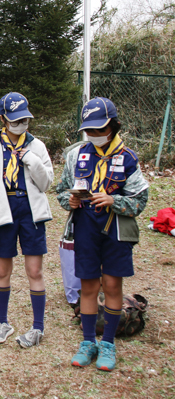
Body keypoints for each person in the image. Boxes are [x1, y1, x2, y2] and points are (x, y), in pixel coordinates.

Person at [56, 97, 149, 371]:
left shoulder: (128, 158)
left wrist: (114, 201)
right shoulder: (77, 155)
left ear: (113, 125)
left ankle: (107, 343)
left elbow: (140, 201)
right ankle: (88, 342)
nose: (94, 135)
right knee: (88, 286)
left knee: (111, 286)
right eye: (89, 130)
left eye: (100, 129)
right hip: (85, 228)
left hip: (115, 231)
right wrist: (68, 201)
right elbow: (61, 189)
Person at [0, 92, 54, 348]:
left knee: (34, 271)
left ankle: (38, 327)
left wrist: (31, 160)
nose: (21, 125)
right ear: (3, 119)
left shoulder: (37, 146)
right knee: (2, 271)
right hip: (3, 212)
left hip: (31, 213)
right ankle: (2, 322)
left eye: (25, 120)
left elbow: (46, 183)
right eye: (15, 120)